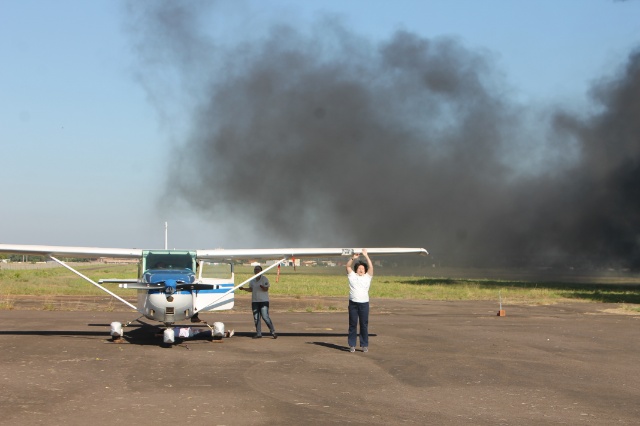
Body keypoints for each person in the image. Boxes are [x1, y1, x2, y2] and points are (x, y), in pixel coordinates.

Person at [345, 249, 374, 353]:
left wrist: (366, 256)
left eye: (362, 268)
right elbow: (348, 266)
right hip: (353, 303)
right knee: (352, 324)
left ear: (365, 270)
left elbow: (371, 267)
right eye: (359, 268)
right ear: (356, 269)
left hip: (364, 304)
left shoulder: (367, 277)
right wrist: (353, 258)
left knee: (364, 324)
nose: (361, 270)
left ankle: (364, 344)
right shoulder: (352, 276)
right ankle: (352, 344)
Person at [239, 265, 277, 339]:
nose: (256, 271)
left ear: (261, 271)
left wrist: (263, 287)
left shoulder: (264, 279)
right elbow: (251, 289)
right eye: (255, 269)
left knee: (265, 317)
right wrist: (243, 289)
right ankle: (258, 333)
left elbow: (266, 289)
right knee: (256, 318)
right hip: (255, 301)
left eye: (258, 269)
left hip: (263, 301)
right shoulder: (252, 280)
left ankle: (272, 331)